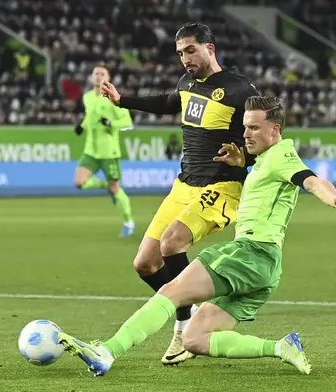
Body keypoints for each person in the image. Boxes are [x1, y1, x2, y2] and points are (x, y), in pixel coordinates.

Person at [57, 96, 336, 377]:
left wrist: (334, 198)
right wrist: (242, 165)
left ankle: (107, 351)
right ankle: (282, 347)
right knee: (194, 339)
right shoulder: (267, 160)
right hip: (267, 268)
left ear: (275, 130)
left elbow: (310, 181)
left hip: (250, 252)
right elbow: (271, 181)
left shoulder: (284, 156)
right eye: (245, 127)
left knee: (172, 291)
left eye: (254, 127)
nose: (246, 134)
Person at [100, 22, 260, 365]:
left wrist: (244, 158)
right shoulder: (187, 83)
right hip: (183, 185)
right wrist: (122, 100)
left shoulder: (239, 90)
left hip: (221, 186)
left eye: (190, 50)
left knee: (172, 244)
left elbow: (265, 141)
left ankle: (184, 326)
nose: (185, 59)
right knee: (144, 263)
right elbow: (169, 102)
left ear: (210, 48)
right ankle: (189, 316)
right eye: (180, 53)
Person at [75, 64, 135, 237]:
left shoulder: (113, 98)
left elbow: (127, 122)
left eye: (102, 73)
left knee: (115, 189)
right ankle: (108, 186)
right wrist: (82, 126)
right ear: (91, 77)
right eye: (95, 73)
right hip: (90, 151)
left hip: (109, 152)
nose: (98, 76)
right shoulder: (87, 97)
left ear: (108, 78)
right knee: (79, 182)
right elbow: (90, 116)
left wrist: (111, 123)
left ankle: (128, 222)